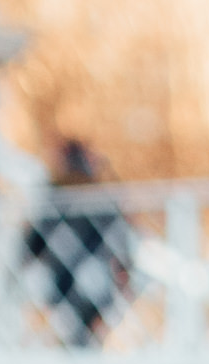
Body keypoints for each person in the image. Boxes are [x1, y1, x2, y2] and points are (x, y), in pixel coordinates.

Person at [24, 138, 130, 350]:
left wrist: (28, 259)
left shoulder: (52, 193)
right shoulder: (99, 191)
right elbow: (119, 238)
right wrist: (124, 268)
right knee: (83, 330)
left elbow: (34, 239)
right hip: (93, 276)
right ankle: (83, 350)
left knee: (67, 325)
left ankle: (72, 350)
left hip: (60, 278)